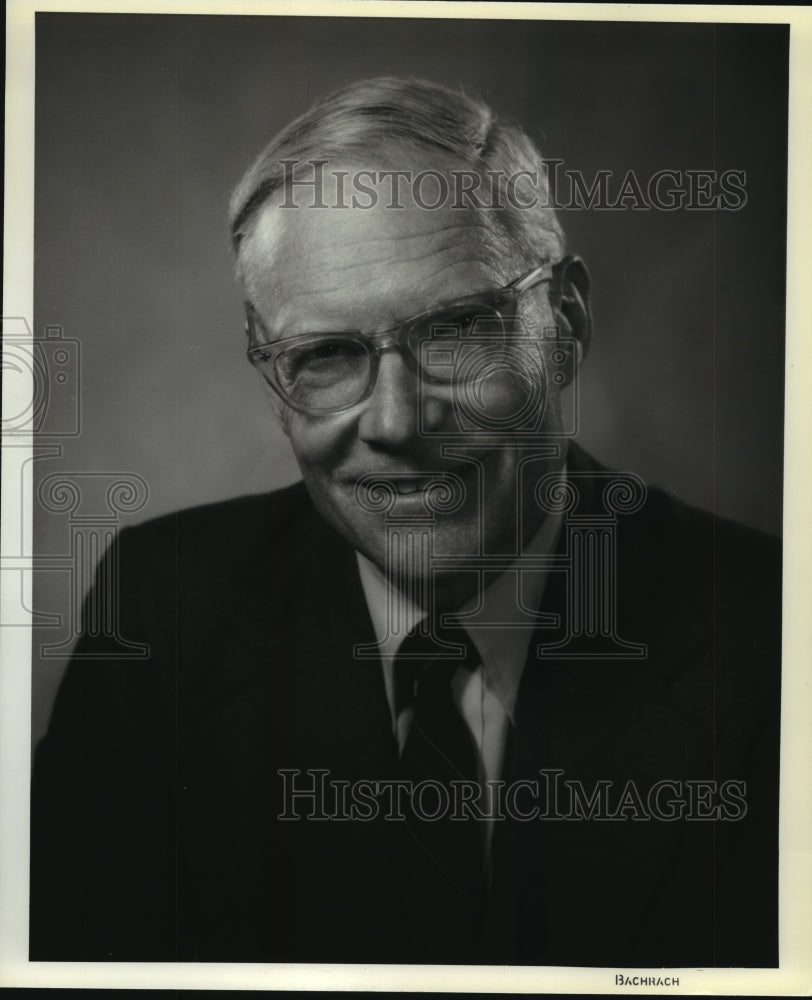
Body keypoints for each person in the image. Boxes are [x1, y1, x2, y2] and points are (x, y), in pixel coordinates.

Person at [30, 76, 781, 967]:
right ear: (272, 373)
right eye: (324, 355)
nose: (395, 421)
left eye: (458, 331)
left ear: (566, 324)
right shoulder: (163, 607)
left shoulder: (773, 637)